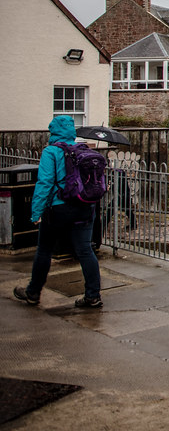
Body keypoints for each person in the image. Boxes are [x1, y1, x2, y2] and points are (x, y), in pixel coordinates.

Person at [14, 115, 103, 309]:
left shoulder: (51, 151)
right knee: (85, 250)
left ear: (53, 131)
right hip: (85, 207)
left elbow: (44, 183)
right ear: (71, 131)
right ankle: (93, 296)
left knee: (44, 249)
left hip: (58, 208)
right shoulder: (83, 150)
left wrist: (36, 213)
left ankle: (33, 293)